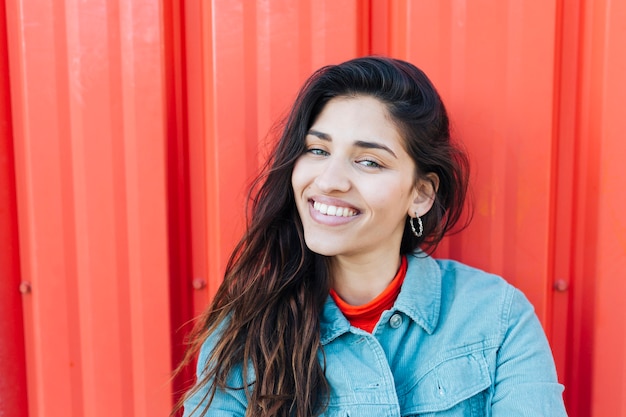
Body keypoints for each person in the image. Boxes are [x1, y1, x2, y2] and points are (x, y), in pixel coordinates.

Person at [177, 56, 568, 417]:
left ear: (421, 194)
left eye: (369, 161)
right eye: (317, 150)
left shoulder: (496, 318)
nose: (328, 181)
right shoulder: (247, 329)